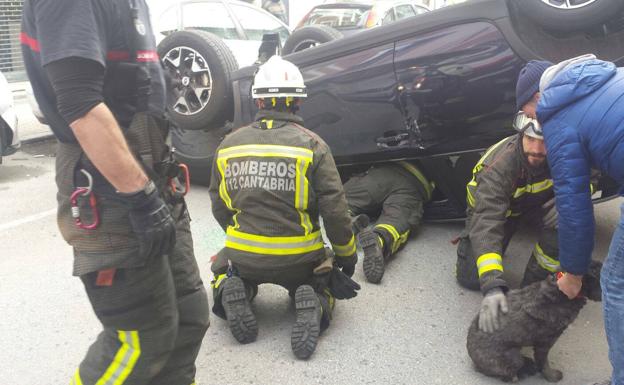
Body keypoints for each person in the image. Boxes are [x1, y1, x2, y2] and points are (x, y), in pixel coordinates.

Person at [21, 1, 210, 384]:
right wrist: (140, 195)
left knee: (189, 316)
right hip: (110, 190)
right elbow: (80, 105)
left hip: (154, 175)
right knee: (139, 340)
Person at [208, 55, 358, 359]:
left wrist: (240, 235)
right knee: (322, 275)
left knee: (224, 269)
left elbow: (218, 203)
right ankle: (314, 300)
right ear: (298, 103)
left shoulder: (228, 145)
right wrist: (346, 255)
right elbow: (335, 210)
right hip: (299, 260)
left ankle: (232, 290)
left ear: (258, 102)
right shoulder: (313, 145)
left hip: (245, 255)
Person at [455, 60, 564, 333]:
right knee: (472, 278)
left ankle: (535, 286)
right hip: (498, 214)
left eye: (545, 141)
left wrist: (570, 202)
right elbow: (487, 218)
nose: (538, 150)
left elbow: (591, 176)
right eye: (530, 139)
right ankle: (468, 247)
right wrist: (492, 284)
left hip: (534, 209)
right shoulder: (501, 165)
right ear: (519, 131)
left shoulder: (567, 147)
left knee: (569, 218)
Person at [536, 54, 624, 385]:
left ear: (538, 98)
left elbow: (573, 206)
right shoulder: (613, 76)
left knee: (615, 283)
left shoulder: (559, 118)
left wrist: (572, 273)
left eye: (528, 114)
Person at [344, 161, 433, 283]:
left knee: (340, 200)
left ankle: (347, 220)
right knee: (395, 221)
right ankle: (379, 239)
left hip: (384, 173)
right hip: (416, 182)